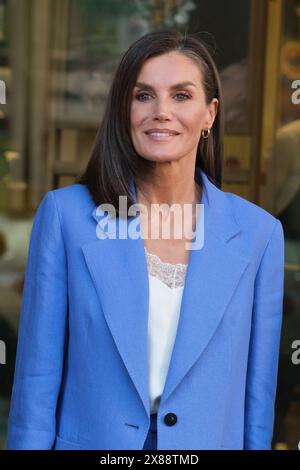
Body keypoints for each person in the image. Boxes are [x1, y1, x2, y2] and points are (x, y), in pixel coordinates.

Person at [6, 30, 284, 450]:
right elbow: (36, 382)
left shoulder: (259, 235)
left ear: (210, 114)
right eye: (143, 96)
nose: (161, 112)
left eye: (181, 96)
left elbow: (257, 401)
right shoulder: (66, 218)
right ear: (124, 109)